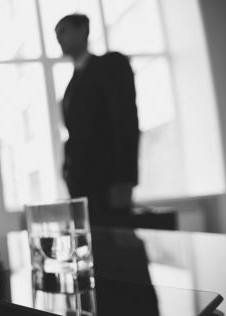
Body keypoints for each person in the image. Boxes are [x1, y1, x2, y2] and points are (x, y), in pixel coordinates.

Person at [55, 14, 140, 223]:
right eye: (57, 34)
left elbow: (126, 120)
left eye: (63, 31)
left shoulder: (110, 65)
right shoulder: (72, 84)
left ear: (83, 29)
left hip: (109, 179)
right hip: (81, 182)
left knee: (119, 242)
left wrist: (124, 178)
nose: (59, 38)